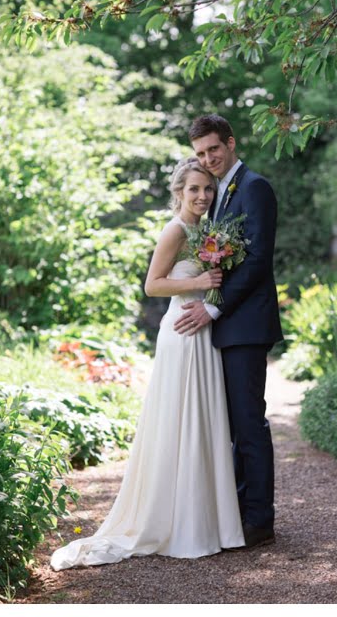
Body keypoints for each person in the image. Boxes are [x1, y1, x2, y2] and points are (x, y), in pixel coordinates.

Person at [51, 159, 244, 570]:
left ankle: (208, 522)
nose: (202, 196)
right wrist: (200, 283)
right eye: (194, 189)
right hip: (181, 332)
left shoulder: (208, 232)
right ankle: (178, 522)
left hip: (203, 331)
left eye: (208, 189)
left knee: (203, 421)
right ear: (179, 192)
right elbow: (153, 284)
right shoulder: (175, 230)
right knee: (181, 421)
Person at [174, 114, 283, 549]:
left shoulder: (254, 187)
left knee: (248, 423)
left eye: (214, 149)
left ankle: (259, 520)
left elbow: (256, 262)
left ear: (231, 143)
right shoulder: (217, 194)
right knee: (230, 425)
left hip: (245, 326)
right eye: (201, 153)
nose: (208, 159)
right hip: (224, 327)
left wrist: (212, 311)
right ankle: (236, 513)